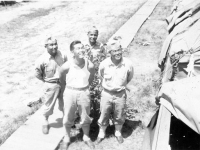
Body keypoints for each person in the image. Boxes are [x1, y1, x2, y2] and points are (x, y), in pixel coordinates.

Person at [96, 39, 134, 144]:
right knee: (104, 114)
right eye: (114, 51)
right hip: (107, 93)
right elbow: (101, 75)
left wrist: (121, 86)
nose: (117, 53)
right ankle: (101, 133)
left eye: (119, 50)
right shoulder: (104, 64)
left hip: (120, 94)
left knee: (119, 114)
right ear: (109, 53)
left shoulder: (128, 64)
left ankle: (118, 133)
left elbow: (129, 77)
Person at [59, 40, 95, 150]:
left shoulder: (89, 65)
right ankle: (66, 138)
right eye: (78, 48)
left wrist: (83, 87)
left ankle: (86, 137)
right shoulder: (66, 66)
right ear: (72, 52)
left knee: (85, 116)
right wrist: (70, 89)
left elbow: (91, 78)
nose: (81, 50)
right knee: (68, 116)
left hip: (84, 91)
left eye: (82, 47)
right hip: (70, 92)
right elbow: (62, 79)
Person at [34, 36, 68, 134]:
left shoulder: (63, 55)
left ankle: (66, 121)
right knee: (48, 105)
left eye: (55, 44)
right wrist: (47, 81)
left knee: (65, 103)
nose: (54, 47)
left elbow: (67, 66)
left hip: (63, 83)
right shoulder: (41, 59)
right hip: (50, 85)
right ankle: (45, 121)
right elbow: (37, 73)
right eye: (51, 45)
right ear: (46, 46)